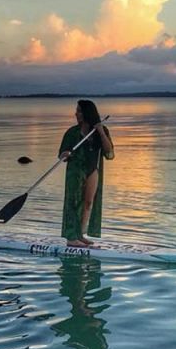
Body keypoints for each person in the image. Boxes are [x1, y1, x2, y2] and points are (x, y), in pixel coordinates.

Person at [59, 99, 115, 247]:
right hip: (75, 171)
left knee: (88, 203)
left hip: (92, 169)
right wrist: (65, 154)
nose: (76, 113)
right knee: (74, 202)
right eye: (77, 111)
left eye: (79, 111)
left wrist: (101, 131)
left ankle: (80, 235)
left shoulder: (101, 131)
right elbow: (62, 154)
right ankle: (72, 237)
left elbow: (109, 153)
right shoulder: (72, 132)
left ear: (86, 113)